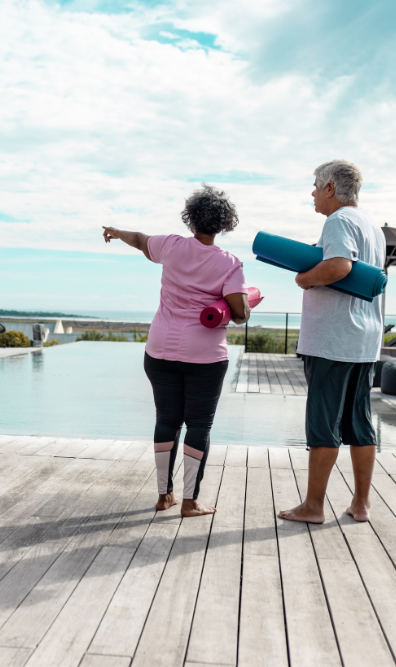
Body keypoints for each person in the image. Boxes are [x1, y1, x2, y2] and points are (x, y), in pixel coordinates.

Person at [102, 184, 251, 517]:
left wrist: (115, 231)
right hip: (205, 357)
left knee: (166, 421)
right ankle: (189, 501)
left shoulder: (169, 246)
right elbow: (239, 314)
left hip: (160, 351)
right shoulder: (230, 264)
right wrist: (245, 302)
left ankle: (163, 495)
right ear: (224, 224)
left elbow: (140, 239)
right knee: (199, 425)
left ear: (190, 219)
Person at [278, 159, 386, 524]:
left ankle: (313, 506)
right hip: (364, 339)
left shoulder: (337, 221)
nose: (311, 192)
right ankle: (361, 504)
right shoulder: (371, 225)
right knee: (360, 422)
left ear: (329, 189)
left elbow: (340, 267)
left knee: (324, 422)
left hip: (333, 340)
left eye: (314, 185)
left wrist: (304, 279)